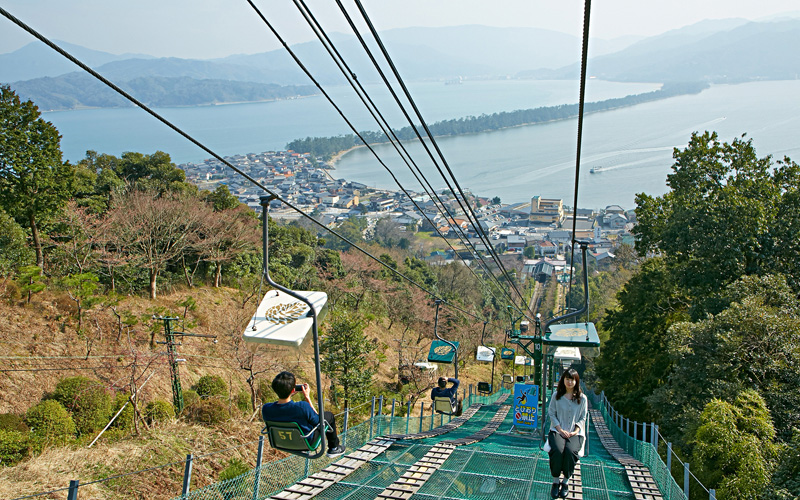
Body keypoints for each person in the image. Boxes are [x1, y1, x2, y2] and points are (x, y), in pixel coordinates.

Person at [261, 371, 345, 458]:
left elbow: (282, 410)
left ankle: (334, 448)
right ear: (293, 390)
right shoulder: (302, 407)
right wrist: (307, 398)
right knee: (328, 415)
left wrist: (288, 394)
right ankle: (334, 448)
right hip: (305, 442)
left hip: (281, 442)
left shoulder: (266, 409)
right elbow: (318, 422)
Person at [547, 368, 588, 499]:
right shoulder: (556, 396)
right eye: (567, 379)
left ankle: (565, 482)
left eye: (572, 380)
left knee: (570, 451)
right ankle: (555, 481)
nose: (569, 382)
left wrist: (575, 431)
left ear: (576, 381)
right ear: (563, 380)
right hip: (557, 430)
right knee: (558, 450)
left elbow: (583, 417)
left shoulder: (582, 399)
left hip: (575, 432)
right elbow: (551, 413)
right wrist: (559, 429)